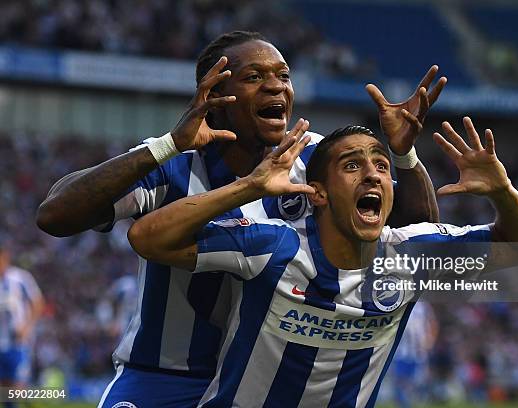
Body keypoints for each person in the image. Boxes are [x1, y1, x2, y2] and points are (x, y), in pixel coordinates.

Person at [35, 31, 446, 407]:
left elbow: (414, 236)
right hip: (164, 377)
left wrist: (404, 156)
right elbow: (55, 215)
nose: (276, 86)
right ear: (216, 95)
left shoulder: (313, 160)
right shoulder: (174, 162)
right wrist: (168, 144)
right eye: (253, 77)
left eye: (283, 75)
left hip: (264, 384)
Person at [127, 118, 518, 407]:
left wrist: (503, 191)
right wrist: (246, 188)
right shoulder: (275, 248)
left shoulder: (412, 254)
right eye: (352, 166)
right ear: (319, 192)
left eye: (381, 167)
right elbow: (146, 238)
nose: (372, 175)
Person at [0, 241, 44, 408]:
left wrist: (27, 327)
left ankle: (28, 400)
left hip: (18, 343)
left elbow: (38, 303)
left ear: (6, 257)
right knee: (5, 390)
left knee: (17, 387)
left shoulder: (20, 278)